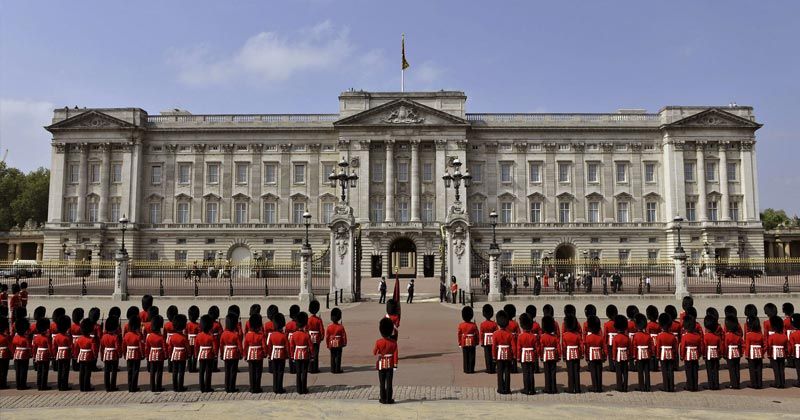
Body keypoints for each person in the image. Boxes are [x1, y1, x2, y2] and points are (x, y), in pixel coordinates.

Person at [374, 317, 398, 404]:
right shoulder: (394, 343)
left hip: (381, 364)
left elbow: (374, 352)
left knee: (382, 383)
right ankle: (389, 399)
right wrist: (395, 364)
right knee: (389, 383)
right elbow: (395, 354)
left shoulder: (378, 342)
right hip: (390, 364)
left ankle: (383, 399)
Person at [491, 310, 514, 394]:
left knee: (500, 372)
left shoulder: (495, 334)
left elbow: (494, 347)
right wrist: (513, 356)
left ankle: (501, 388)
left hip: (499, 355)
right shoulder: (509, 334)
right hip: (508, 354)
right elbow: (513, 347)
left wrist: (494, 356)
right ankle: (507, 389)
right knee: (507, 372)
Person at [242, 313, 266, 393]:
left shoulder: (248, 335)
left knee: (251, 372)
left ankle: (252, 387)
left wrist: (245, 355)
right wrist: (265, 353)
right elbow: (264, 346)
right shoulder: (261, 335)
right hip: (259, 355)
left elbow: (245, 346)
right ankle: (257, 387)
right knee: (258, 372)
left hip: (250, 355)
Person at [290, 312, 312, 394]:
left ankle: (299, 389)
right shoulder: (306, 335)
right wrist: (312, 355)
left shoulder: (294, 335)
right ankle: (304, 388)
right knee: (304, 372)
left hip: (297, 354)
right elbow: (311, 346)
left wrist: (292, 356)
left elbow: (292, 346)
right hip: (305, 354)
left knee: (298, 372)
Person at [266, 313, 288, 394]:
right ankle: (280, 388)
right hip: (282, 355)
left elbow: (269, 346)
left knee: (275, 372)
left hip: (274, 355)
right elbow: (287, 347)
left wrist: (269, 354)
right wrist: (287, 355)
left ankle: (275, 387)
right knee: (280, 372)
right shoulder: (283, 336)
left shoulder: (272, 335)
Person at [220, 313, 243, 393]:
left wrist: (222, 354)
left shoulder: (223, 334)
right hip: (234, 354)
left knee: (227, 371)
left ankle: (227, 387)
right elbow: (239, 346)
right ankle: (232, 387)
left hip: (226, 353)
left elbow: (221, 345)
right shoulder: (235, 335)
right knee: (233, 371)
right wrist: (241, 354)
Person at [195, 315, 218, 393]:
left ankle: (201, 387)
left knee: (201, 372)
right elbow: (214, 347)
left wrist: (196, 354)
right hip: (209, 355)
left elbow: (196, 346)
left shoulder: (198, 336)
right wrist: (215, 355)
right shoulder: (211, 336)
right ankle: (207, 387)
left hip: (201, 354)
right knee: (208, 372)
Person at [74, 318, 97, 392]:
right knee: (87, 372)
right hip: (88, 357)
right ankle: (86, 387)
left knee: (81, 372)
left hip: (81, 356)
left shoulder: (79, 339)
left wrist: (76, 355)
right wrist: (95, 356)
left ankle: (81, 387)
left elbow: (76, 348)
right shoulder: (91, 339)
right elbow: (94, 349)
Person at [680, 314, 702, 392]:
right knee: (695, 371)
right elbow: (699, 347)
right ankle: (695, 386)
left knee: (688, 371)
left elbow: (683, 347)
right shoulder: (697, 336)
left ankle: (689, 386)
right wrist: (699, 354)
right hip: (695, 355)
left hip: (688, 355)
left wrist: (682, 356)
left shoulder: (685, 336)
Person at [517, 313, 537, 395]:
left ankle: (526, 389)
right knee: (531, 373)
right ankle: (532, 389)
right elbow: (536, 348)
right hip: (531, 355)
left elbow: (519, 349)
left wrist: (518, 358)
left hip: (523, 356)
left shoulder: (520, 336)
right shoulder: (533, 336)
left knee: (525, 373)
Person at [100, 316, 122, 392]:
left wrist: (102, 356)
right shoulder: (115, 337)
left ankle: (107, 386)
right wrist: (120, 354)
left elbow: (102, 348)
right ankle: (113, 386)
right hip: (114, 355)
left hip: (106, 355)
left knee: (106, 371)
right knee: (114, 371)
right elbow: (117, 347)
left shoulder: (104, 336)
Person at [168, 314, 189, 392]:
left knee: (175, 371)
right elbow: (187, 347)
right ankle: (180, 386)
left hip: (174, 355)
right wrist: (189, 354)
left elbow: (170, 347)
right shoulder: (184, 337)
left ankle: (175, 386)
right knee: (181, 372)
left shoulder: (172, 337)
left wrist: (170, 354)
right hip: (182, 355)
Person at [766, 315, 789, 388]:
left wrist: (769, 354)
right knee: (781, 368)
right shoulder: (784, 336)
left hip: (774, 354)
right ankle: (782, 383)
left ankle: (777, 383)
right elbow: (786, 346)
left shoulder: (772, 336)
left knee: (776, 369)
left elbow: (769, 346)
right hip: (782, 353)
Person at [584, 315, 605, 393]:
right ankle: (599, 387)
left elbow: (587, 348)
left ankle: (594, 387)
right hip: (599, 355)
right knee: (599, 372)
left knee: (593, 372)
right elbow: (604, 347)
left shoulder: (588, 337)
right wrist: (604, 356)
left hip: (591, 355)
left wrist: (587, 357)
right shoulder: (600, 337)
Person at [539, 315, 559, 394]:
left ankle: (548, 388)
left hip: (546, 355)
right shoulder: (554, 337)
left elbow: (541, 347)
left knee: (547, 372)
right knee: (553, 371)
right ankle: (553, 388)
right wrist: (558, 355)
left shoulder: (543, 337)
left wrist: (541, 355)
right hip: (553, 354)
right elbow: (558, 347)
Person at [562, 315, 583, 393]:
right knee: (576, 371)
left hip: (568, 354)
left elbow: (564, 347)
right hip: (576, 354)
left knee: (570, 371)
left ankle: (571, 388)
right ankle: (577, 388)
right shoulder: (577, 335)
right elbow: (581, 345)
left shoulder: (565, 335)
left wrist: (564, 356)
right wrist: (581, 354)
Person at [632, 313, 652, 392]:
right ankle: (648, 386)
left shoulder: (636, 336)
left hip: (639, 355)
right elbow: (651, 347)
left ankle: (641, 386)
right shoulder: (647, 335)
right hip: (647, 355)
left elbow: (634, 347)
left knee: (640, 372)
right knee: (647, 371)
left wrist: (634, 356)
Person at [145, 315, 166, 392]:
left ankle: (152, 387)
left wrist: (147, 355)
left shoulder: (149, 336)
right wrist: (166, 355)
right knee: (159, 372)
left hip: (152, 355)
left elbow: (147, 347)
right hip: (160, 355)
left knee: (152, 372)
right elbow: (164, 347)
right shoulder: (161, 337)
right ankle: (158, 386)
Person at [52, 315, 72, 391]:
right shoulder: (67, 337)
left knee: (60, 370)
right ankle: (64, 385)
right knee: (65, 371)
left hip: (59, 354)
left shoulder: (57, 336)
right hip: (66, 354)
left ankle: (59, 385)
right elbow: (71, 346)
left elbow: (54, 347)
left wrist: (54, 354)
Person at [744, 316, 765, 389]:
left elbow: (747, 346)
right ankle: (759, 383)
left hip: (751, 353)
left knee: (752, 369)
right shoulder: (761, 335)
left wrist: (746, 354)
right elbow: (764, 345)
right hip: (759, 353)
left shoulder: (749, 335)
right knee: (759, 368)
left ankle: (753, 383)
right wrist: (762, 352)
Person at [724, 315, 743, 389]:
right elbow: (741, 344)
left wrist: (725, 354)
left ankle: (733, 384)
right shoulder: (738, 335)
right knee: (737, 368)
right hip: (737, 352)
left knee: (731, 369)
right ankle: (737, 383)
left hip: (730, 353)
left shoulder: (727, 336)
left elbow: (725, 346)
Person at [611, 314, 630, 392]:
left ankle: (619, 387)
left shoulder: (615, 338)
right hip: (625, 356)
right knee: (625, 372)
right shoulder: (627, 338)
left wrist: (614, 358)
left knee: (619, 372)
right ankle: (625, 386)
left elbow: (614, 349)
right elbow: (629, 348)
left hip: (618, 356)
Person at [457, 306, 479, 374]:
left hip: (464, 341)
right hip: (472, 341)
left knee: (465, 356)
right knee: (472, 356)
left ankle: (466, 369)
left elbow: (459, 334)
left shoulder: (461, 325)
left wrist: (460, 342)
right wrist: (477, 342)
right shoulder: (473, 325)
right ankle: (471, 369)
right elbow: (476, 334)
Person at [32, 318, 51, 391]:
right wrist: (51, 355)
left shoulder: (36, 338)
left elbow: (34, 348)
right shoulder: (46, 338)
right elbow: (49, 347)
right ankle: (43, 385)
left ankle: (39, 385)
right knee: (44, 371)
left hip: (38, 355)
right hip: (45, 355)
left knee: (39, 371)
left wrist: (34, 356)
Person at [703, 315, 722, 390]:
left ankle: (711, 384)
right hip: (716, 354)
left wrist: (704, 355)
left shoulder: (706, 336)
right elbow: (720, 347)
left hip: (708, 354)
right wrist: (720, 355)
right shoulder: (717, 337)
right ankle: (716, 384)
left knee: (709, 370)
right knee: (715, 370)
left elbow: (704, 346)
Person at [326, 308, 347, 374]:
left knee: (332, 356)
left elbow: (327, 337)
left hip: (332, 343)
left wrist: (327, 344)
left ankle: (333, 369)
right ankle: (337, 369)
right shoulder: (341, 327)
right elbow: (343, 336)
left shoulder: (329, 327)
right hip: (339, 343)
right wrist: (344, 343)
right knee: (338, 357)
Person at [307, 300, 325, 374]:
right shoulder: (318, 320)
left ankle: (310, 367)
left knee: (310, 352)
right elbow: (321, 329)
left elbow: (306, 329)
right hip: (317, 337)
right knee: (316, 353)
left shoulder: (309, 319)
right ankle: (315, 368)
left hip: (310, 336)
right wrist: (322, 336)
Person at [479, 304, 497, 374]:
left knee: (487, 355)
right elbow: (496, 332)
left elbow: (481, 334)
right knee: (493, 354)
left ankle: (488, 368)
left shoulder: (483, 324)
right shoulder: (494, 324)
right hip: (493, 340)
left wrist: (482, 342)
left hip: (486, 341)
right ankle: (493, 368)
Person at [604, 305, 619, 373]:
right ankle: (617, 366)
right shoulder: (617, 322)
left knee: (610, 354)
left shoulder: (607, 324)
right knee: (616, 353)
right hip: (617, 340)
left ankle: (611, 367)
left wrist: (605, 342)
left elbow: (605, 334)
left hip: (610, 341)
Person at [285, 305, 300, 374]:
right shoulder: (297, 324)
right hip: (296, 338)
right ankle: (296, 368)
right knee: (296, 353)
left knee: (290, 353)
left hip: (289, 339)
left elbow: (286, 333)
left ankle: (291, 369)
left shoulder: (288, 324)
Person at [186, 305, 200, 373]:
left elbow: (185, 333)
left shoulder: (187, 324)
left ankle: (189, 367)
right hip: (195, 340)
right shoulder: (198, 325)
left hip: (188, 340)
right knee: (195, 355)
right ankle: (194, 368)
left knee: (189, 354)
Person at [789, 314, 800, 387]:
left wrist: (790, 353)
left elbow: (791, 346)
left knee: (799, 368)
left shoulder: (793, 334)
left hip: (797, 352)